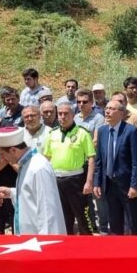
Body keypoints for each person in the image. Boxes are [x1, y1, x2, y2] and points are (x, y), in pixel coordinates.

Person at [0, 127, 65, 235]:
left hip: (40, 241)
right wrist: (12, 193)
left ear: (13, 150)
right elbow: (32, 195)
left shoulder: (38, 167)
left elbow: (48, 211)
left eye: (2, 154)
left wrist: (47, 244)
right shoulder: (27, 164)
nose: (2, 159)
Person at [42, 100, 96, 235]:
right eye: (59, 114)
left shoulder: (82, 133)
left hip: (76, 180)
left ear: (73, 115)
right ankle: (67, 250)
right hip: (56, 180)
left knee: (83, 217)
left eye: (66, 113)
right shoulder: (52, 134)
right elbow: (46, 158)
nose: (62, 117)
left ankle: (88, 248)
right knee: (63, 218)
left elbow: (91, 158)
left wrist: (89, 181)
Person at [93, 99, 137, 235]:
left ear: (121, 113)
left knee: (134, 223)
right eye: (107, 108)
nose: (107, 111)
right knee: (114, 223)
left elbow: (135, 162)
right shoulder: (102, 131)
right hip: (109, 185)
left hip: (127, 185)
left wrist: (134, 185)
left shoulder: (131, 131)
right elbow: (99, 161)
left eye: (112, 109)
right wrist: (97, 183)